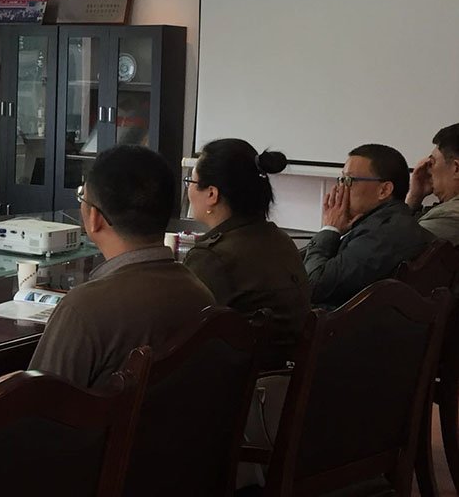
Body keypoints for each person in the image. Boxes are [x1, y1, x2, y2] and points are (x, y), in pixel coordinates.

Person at [28, 145, 215, 389]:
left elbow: (38, 402)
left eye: (82, 196)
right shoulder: (201, 293)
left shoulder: (85, 308)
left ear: (95, 218)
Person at [183, 139, 310, 369]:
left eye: (190, 181)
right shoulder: (280, 239)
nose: (188, 190)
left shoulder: (214, 257)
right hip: (279, 377)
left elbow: (182, 331)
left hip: (235, 381)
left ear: (212, 194)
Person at [305, 143, 433, 308]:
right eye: (341, 179)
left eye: (349, 180)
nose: (340, 189)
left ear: (384, 190)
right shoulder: (388, 221)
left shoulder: (383, 234)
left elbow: (313, 286)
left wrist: (330, 229)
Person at [406, 123, 459, 245]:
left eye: (431, 163)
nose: (428, 171)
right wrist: (415, 198)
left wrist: (411, 200)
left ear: (456, 169)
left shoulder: (450, 216)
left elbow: (393, 246)